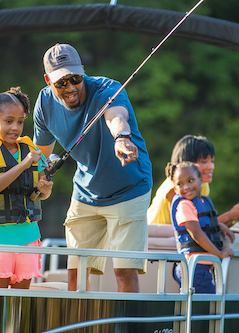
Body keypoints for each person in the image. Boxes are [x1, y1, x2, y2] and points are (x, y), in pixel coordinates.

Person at [33, 43, 152, 292]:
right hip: (86, 192)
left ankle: (126, 328)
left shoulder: (107, 89)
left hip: (128, 187)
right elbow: (41, 156)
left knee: (123, 271)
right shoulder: (44, 105)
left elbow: (116, 116)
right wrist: (41, 178)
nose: (70, 87)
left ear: (83, 72)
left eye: (75, 78)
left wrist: (121, 138)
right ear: (48, 81)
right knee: (75, 273)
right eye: (61, 82)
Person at [0, 84, 53, 289]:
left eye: (20, 122)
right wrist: (24, 164)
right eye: (8, 121)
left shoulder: (30, 149)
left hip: (29, 236)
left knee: (21, 302)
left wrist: (45, 188)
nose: (15, 128)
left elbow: (41, 194)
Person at [148, 135, 239, 227]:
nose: (211, 167)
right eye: (204, 161)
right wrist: (230, 216)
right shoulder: (176, 188)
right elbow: (189, 230)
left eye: (212, 161)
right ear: (186, 165)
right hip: (156, 239)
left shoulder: (202, 184)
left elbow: (207, 223)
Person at [167, 161, 234, 293]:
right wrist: (219, 254)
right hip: (194, 268)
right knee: (204, 309)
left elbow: (204, 224)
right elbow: (196, 234)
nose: (186, 187)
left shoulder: (202, 202)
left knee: (200, 309)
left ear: (200, 180)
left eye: (190, 180)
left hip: (201, 267)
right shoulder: (184, 205)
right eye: (180, 184)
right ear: (175, 189)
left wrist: (219, 225)